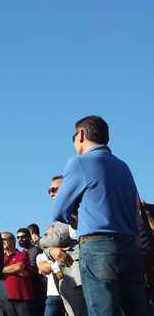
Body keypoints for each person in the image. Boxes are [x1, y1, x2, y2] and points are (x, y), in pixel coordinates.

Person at [52, 115, 148, 316]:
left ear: (80, 135)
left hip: (98, 247)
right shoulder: (123, 166)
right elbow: (136, 210)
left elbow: (59, 210)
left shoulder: (79, 162)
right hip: (130, 246)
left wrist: (74, 217)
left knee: (103, 310)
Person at [39, 176, 85, 316]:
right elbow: (52, 245)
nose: (51, 193)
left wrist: (45, 241)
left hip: (78, 278)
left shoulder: (70, 210)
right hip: (67, 278)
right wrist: (50, 250)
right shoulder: (59, 217)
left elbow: (56, 239)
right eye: (49, 190)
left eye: (54, 189)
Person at [2, 233, 33, 316]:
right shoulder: (1, 258)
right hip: (6, 298)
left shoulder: (22, 254)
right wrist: (12, 270)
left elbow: (18, 267)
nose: (1, 242)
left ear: (12, 240)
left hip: (22, 298)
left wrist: (1, 270)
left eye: (4, 239)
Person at [16, 228, 45, 316]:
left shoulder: (36, 250)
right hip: (26, 292)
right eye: (18, 237)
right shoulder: (20, 253)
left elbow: (32, 269)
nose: (20, 240)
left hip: (37, 290)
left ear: (29, 237)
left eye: (23, 237)